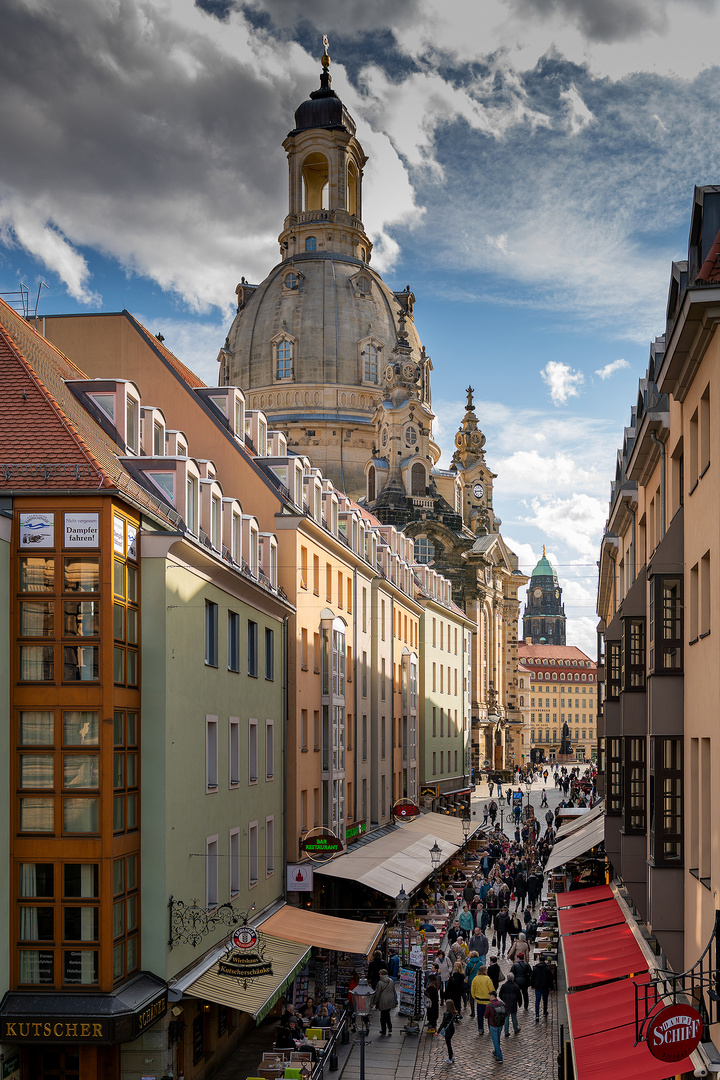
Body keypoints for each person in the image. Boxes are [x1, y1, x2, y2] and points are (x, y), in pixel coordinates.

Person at [371, 968, 396, 1036]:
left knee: (383, 1016)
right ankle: (390, 1027)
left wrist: (374, 1003)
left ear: (382, 974)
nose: (379, 975)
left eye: (380, 974)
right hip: (390, 1000)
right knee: (387, 1014)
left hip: (383, 1001)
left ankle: (384, 1030)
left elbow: (377, 994)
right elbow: (393, 990)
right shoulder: (391, 981)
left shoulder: (380, 983)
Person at [470, 964, 495, 1033]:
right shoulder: (487, 979)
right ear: (484, 971)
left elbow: (472, 989)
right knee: (489, 1016)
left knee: (480, 1016)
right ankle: (490, 1028)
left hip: (479, 1001)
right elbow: (491, 989)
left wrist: (474, 997)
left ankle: (480, 1029)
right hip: (488, 1001)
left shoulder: (475, 979)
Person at [484, 991, 507, 1062]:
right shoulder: (502, 1004)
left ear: (491, 996)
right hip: (500, 1024)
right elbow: (506, 1014)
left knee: (495, 1041)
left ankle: (499, 1057)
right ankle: (496, 1052)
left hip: (493, 1025)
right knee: (498, 1039)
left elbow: (486, 1016)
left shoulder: (489, 1006)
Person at [530, 954, 554, 1021]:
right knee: (545, 1000)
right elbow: (550, 979)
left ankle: (537, 1015)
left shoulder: (535, 968)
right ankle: (544, 1012)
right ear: (544, 961)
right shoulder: (547, 969)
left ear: (539, 960)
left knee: (537, 1001)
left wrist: (532, 985)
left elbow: (532, 978)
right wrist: (552, 988)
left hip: (537, 987)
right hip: (545, 987)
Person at [499, 972, 522, 1037]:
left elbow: (500, 994)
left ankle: (506, 1031)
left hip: (506, 1003)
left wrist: (503, 1000)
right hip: (513, 1003)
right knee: (514, 1017)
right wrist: (519, 1002)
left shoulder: (503, 986)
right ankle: (515, 1029)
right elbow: (519, 996)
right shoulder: (515, 986)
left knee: (506, 1018)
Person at [437, 1000, 458, 1064]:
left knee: (448, 1044)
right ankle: (451, 1056)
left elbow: (443, 1023)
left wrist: (438, 1032)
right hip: (452, 1029)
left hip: (448, 1030)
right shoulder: (453, 1013)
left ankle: (450, 1058)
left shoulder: (447, 1014)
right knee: (449, 1043)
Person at [465, 951, 483, 1017]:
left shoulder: (469, 964)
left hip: (471, 981)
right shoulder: (480, 963)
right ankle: (479, 1011)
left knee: (471, 997)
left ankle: (473, 1012)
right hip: (479, 981)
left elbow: (467, 973)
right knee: (479, 997)